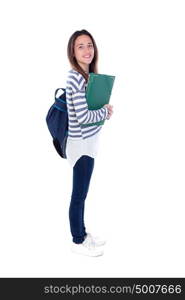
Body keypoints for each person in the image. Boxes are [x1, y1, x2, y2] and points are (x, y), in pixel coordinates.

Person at [65, 29, 113, 257]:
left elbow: (91, 114)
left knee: (83, 193)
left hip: (89, 144)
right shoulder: (74, 77)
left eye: (89, 45)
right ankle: (77, 241)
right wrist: (102, 112)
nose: (87, 50)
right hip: (80, 145)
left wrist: (104, 112)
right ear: (73, 53)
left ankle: (83, 234)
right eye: (80, 46)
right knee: (79, 195)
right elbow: (83, 118)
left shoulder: (90, 77)